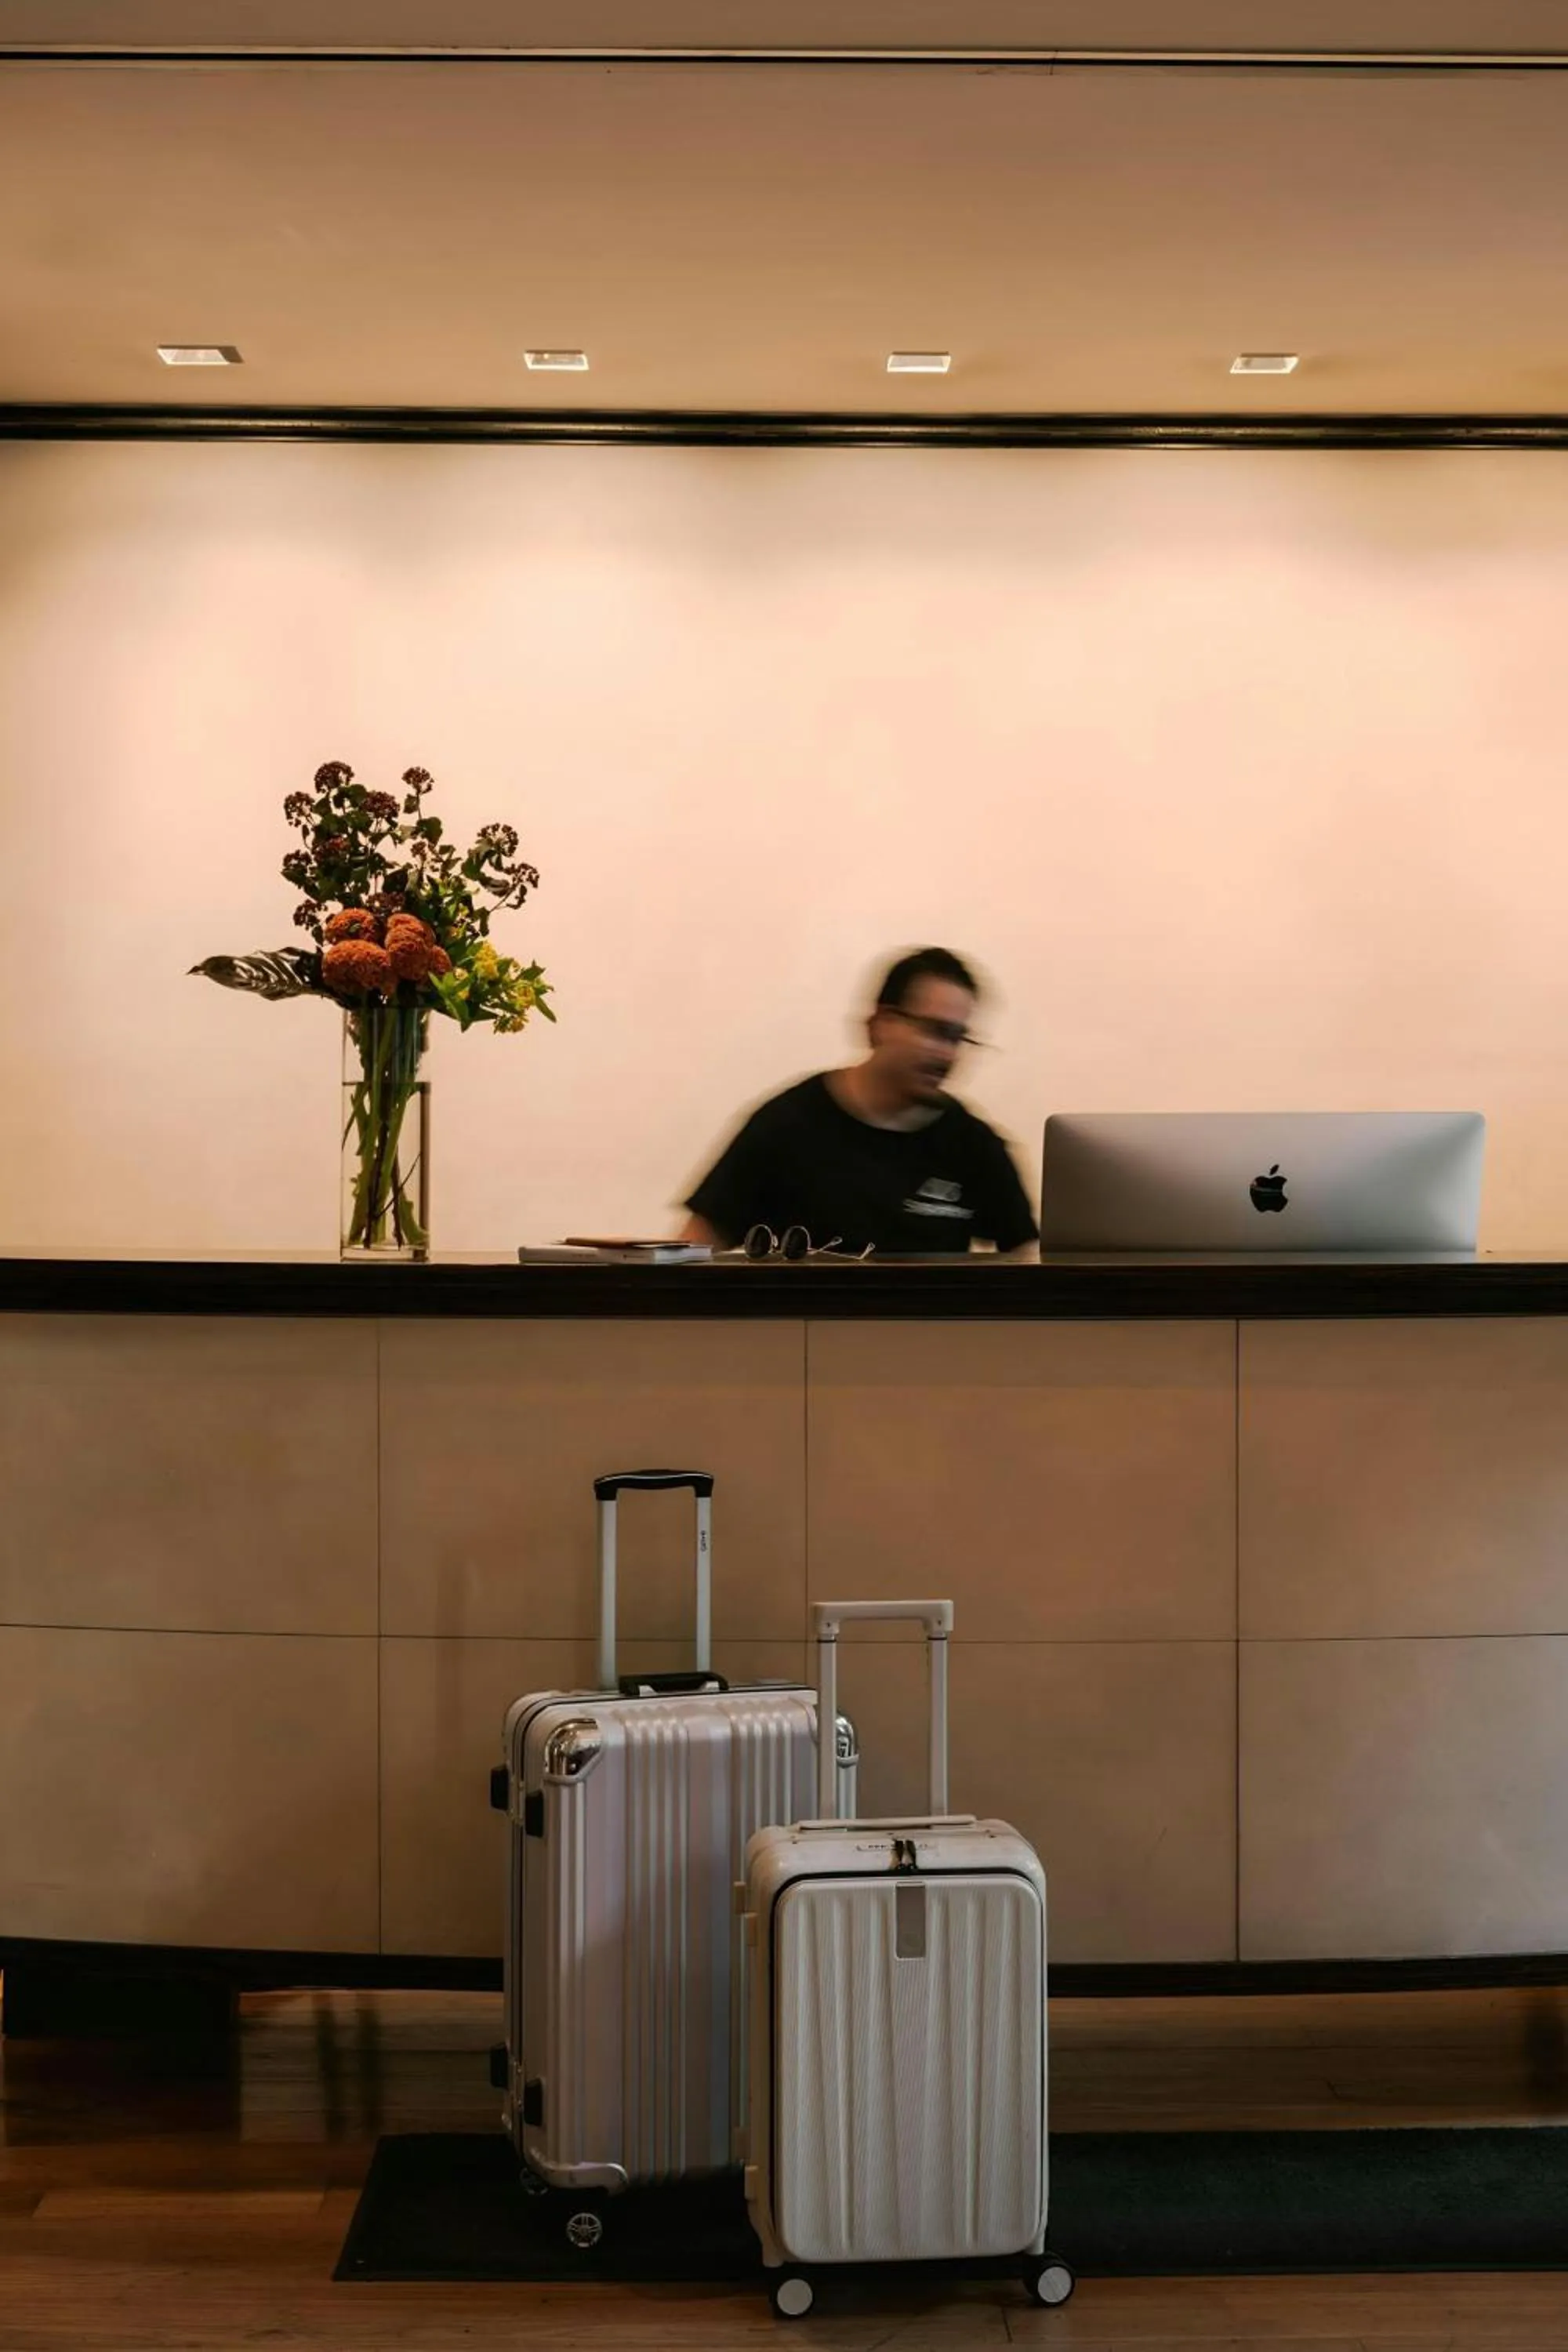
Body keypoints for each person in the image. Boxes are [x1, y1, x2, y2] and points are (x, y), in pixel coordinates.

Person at [680, 947, 1038, 1257]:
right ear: (880, 1024)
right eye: (936, 1032)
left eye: (958, 1038)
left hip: (931, 1336)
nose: (947, 1053)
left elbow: (1027, 1256)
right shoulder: (787, 1125)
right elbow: (696, 1247)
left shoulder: (973, 1144)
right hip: (805, 1333)